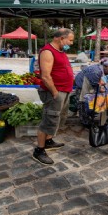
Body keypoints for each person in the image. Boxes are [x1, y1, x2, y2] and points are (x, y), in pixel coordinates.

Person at [32, 28, 75, 165]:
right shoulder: (47, 52)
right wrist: (55, 93)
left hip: (64, 90)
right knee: (48, 119)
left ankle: (48, 141)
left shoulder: (61, 51)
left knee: (57, 118)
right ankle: (39, 150)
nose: (71, 43)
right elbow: (45, 76)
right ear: (61, 38)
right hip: (55, 92)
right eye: (70, 40)